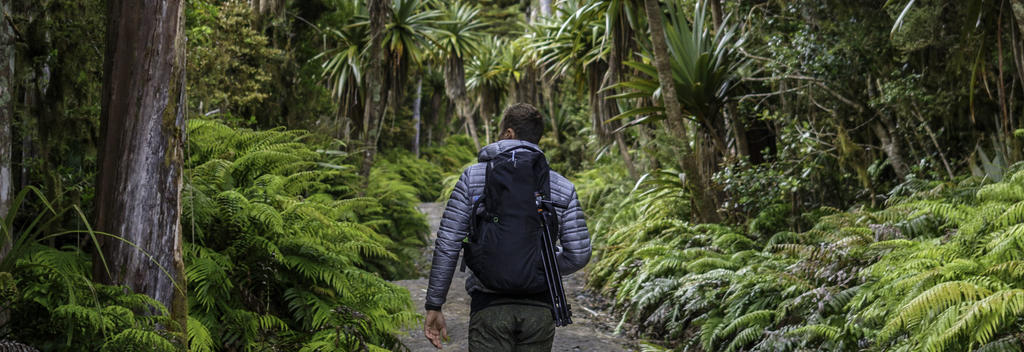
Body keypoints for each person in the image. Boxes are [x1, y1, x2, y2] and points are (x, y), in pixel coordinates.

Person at [422, 103, 592, 351]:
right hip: (540, 308)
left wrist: (434, 304)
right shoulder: (562, 186)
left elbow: (448, 243)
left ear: (509, 133)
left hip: (489, 305)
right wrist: (538, 265)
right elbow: (579, 254)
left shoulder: (473, 177)